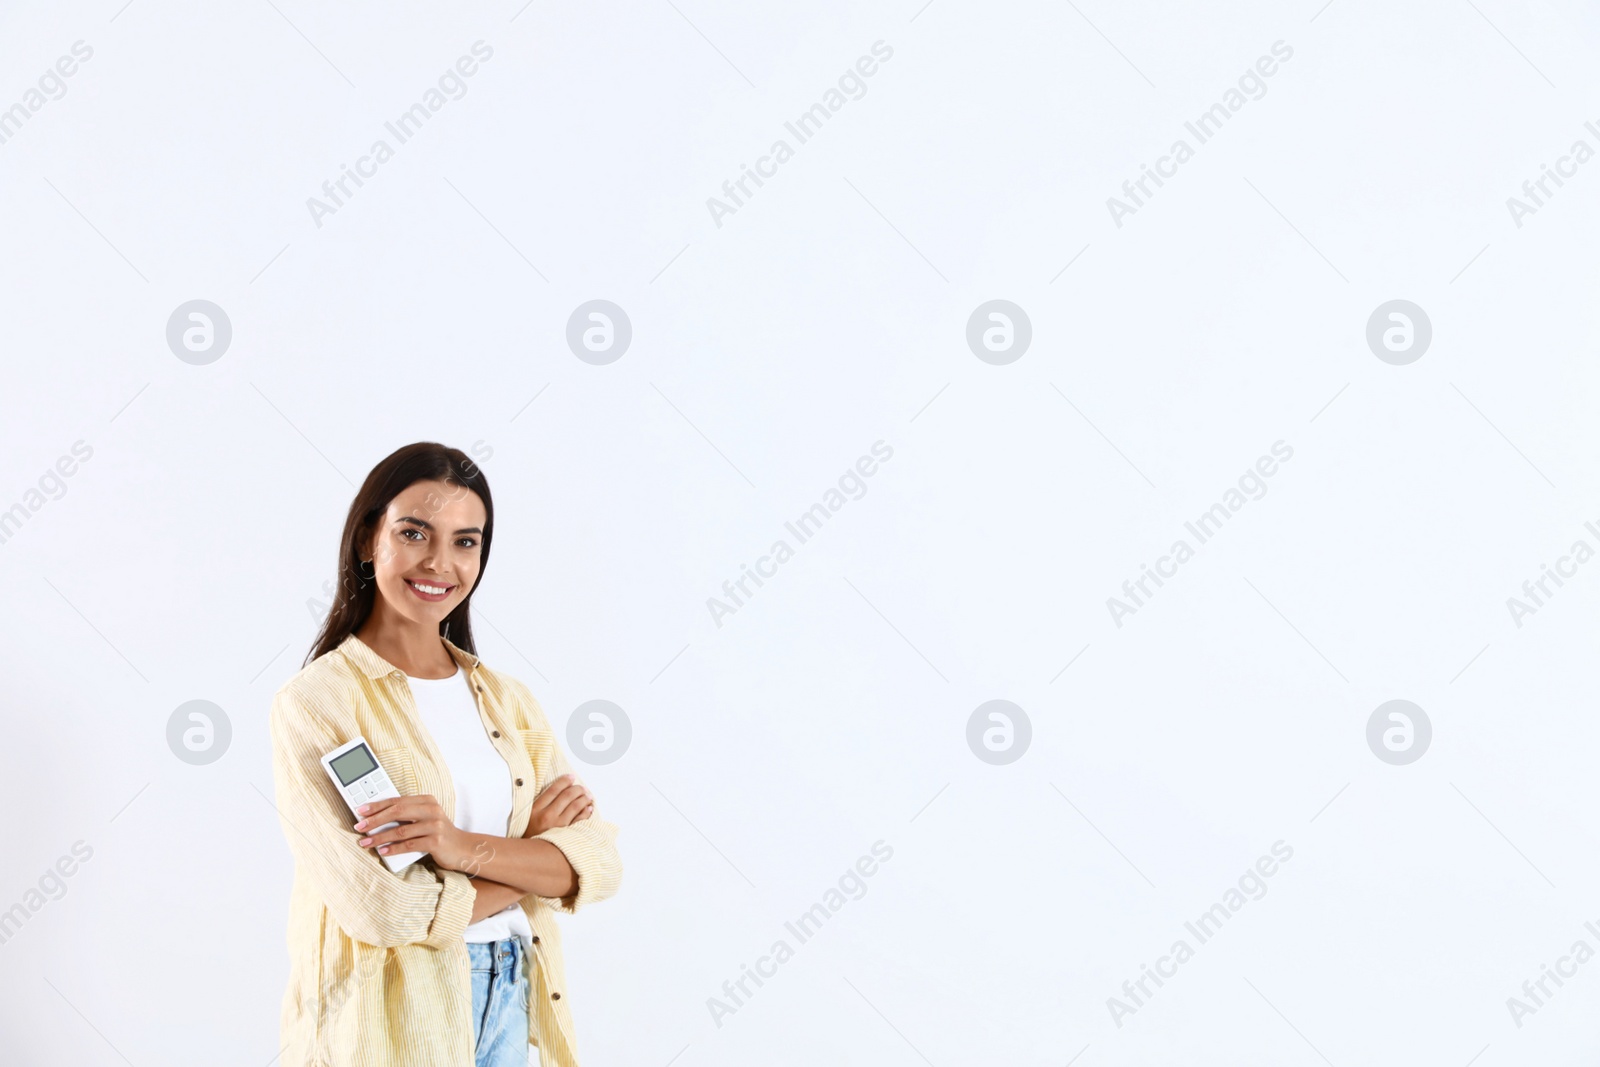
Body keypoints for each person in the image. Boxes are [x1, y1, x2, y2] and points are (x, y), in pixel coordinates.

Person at [268, 441, 622, 1066]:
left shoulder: (506, 701)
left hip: (512, 990)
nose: (440, 562)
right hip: (388, 1015)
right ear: (366, 541)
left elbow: (594, 866)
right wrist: (527, 857)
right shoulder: (319, 703)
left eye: (466, 541)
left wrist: (456, 846)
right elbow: (385, 911)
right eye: (414, 533)